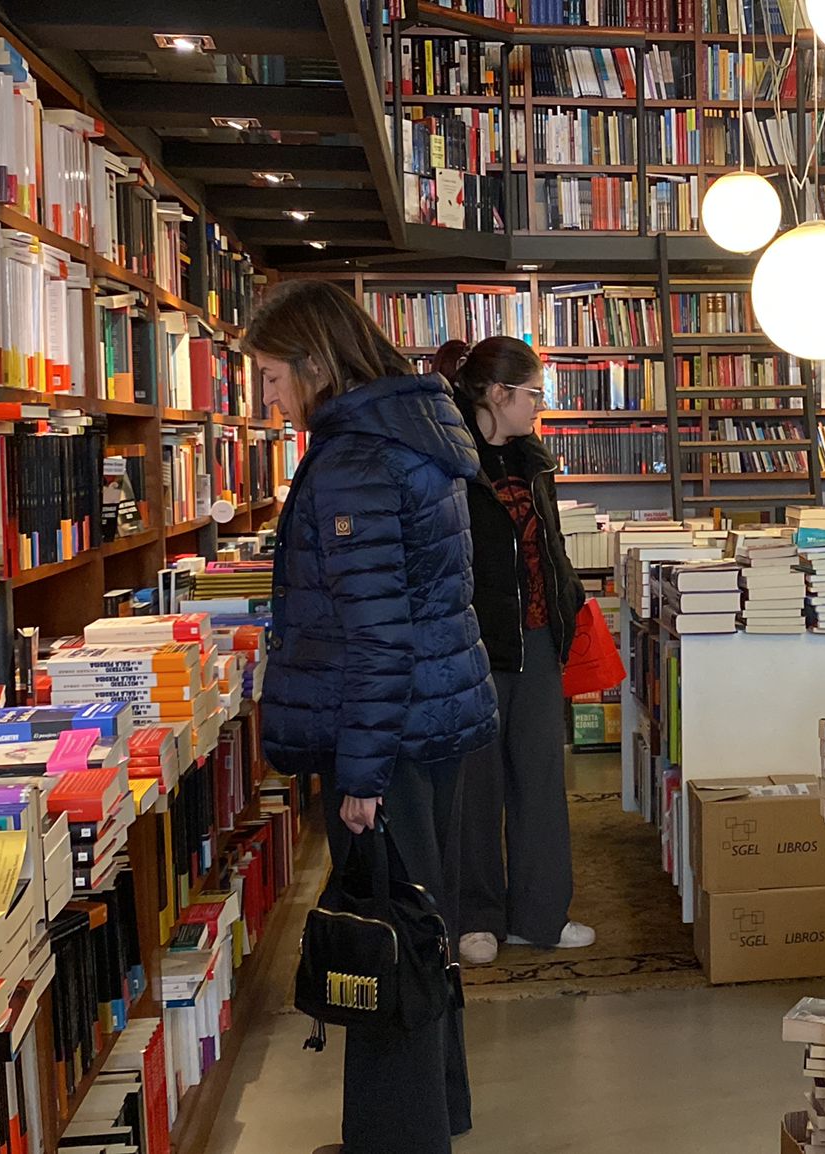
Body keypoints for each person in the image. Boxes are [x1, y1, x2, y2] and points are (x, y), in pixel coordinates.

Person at [253, 280, 497, 1154]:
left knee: (384, 940)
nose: (270, 399)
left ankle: (396, 1140)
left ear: (318, 365)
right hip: (429, 724)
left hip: (388, 740)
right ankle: (434, 1116)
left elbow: (375, 633)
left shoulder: (356, 456)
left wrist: (358, 774)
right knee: (419, 934)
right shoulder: (409, 433)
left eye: (275, 378)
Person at [439, 336, 593, 964]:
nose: (539, 406)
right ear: (497, 394)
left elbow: (548, 548)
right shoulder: (448, 462)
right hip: (474, 643)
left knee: (540, 779)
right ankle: (478, 917)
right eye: (532, 394)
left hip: (536, 639)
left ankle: (540, 914)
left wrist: (566, 606)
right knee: (475, 786)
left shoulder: (535, 461)